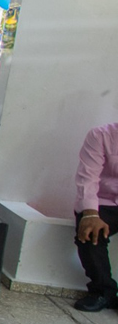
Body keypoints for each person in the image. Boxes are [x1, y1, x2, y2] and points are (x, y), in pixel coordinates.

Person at [73, 121, 118, 312]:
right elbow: (88, 177)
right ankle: (103, 291)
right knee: (91, 231)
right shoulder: (100, 135)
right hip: (103, 202)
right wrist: (90, 213)